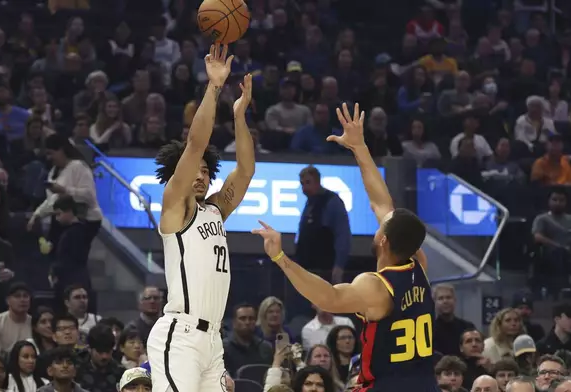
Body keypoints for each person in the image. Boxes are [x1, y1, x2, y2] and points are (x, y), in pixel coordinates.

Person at [252, 103, 435, 392]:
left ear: (384, 240)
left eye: (381, 227)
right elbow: (381, 203)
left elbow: (328, 298)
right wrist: (359, 147)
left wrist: (280, 257)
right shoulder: (419, 266)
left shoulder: (376, 285)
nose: (379, 224)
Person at [146, 44, 256, 392]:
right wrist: (215, 87)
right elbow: (195, 144)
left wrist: (239, 116)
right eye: (196, 170)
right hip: (180, 335)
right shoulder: (176, 207)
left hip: (212, 341)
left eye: (207, 172)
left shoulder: (216, 210)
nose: (200, 175)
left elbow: (246, 170)